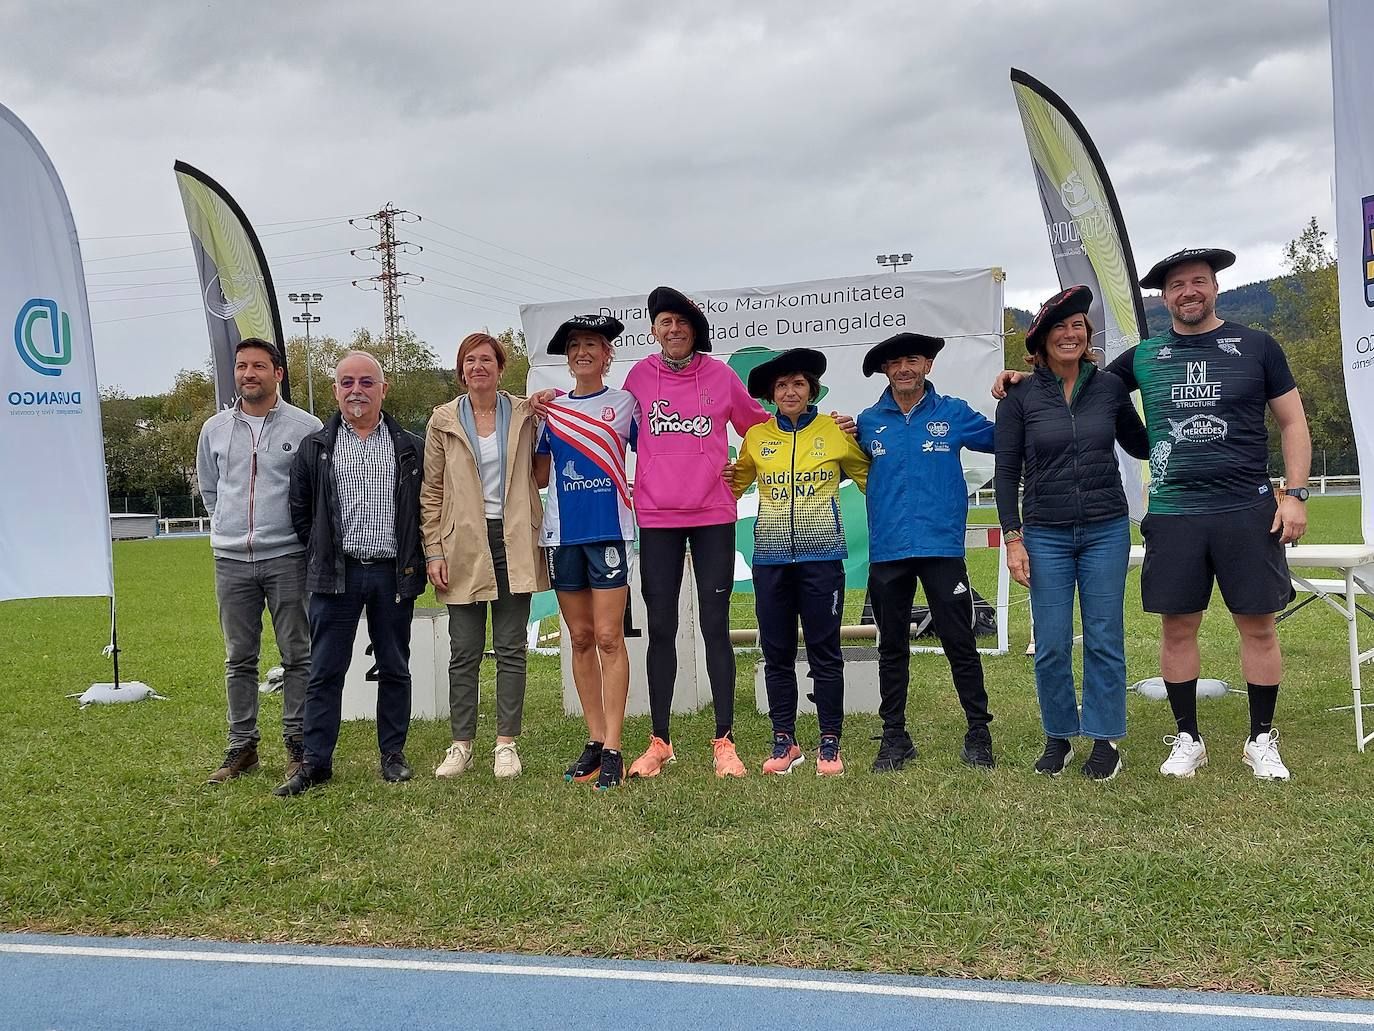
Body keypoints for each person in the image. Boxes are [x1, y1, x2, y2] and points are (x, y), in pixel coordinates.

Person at [992, 248, 1311, 780]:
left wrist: (1296, 494)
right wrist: (1021, 378)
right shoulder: (1143, 357)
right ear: (1164, 298)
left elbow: (1293, 424)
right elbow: (1080, 381)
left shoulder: (1258, 346)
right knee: (1177, 628)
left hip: (1245, 508)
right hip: (1172, 512)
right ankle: (1187, 737)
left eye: (1199, 282)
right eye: (1178, 285)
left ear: (1215, 287)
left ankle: (1260, 740)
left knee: (1257, 626)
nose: (1189, 291)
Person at [611, 286, 771, 779]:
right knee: (660, 629)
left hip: (713, 516)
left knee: (714, 627)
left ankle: (724, 741)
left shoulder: (720, 375)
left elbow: (759, 428)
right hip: (656, 516)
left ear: (695, 329)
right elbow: (603, 421)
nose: (673, 330)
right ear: (654, 330)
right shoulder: (639, 376)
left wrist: (811, 425)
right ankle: (660, 741)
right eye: (664, 322)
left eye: (681, 322)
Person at [993, 286, 1150, 781]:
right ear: (1039, 341)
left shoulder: (1107, 389)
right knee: (1053, 642)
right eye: (1059, 326)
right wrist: (1014, 538)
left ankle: (1104, 741)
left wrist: (1177, 412)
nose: (1071, 333)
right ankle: (1059, 736)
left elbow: (1143, 444)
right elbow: (1005, 471)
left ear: (1087, 336)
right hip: (1045, 533)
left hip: (1106, 527)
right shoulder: (1018, 396)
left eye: (1078, 325)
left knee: (1104, 637)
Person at [275, 351, 426, 796]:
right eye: (346, 383)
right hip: (335, 576)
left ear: (383, 389)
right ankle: (316, 762)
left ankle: (393, 754)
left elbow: (422, 511)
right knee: (324, 671)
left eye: (365, 382)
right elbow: (301, 514)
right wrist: (324, 552)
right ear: (335, 390)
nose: (355, 390)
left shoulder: (409, 446)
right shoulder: (315, 448)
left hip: (391, 574)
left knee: (395, 667)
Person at [858, 332, 997, 772]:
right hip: (888, 552)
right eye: (895, 362)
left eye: (913, 360)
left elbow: (1004, 437)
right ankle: (895, 737)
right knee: (892, 646)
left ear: (928, 366)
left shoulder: (952, 412)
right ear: (885, 369)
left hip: (942, 550)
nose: (904, 368)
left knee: (960, 642)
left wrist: (1021, 389)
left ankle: (979, 732)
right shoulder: (865, 421)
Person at [729, 347, 870, 776]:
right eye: (782, 386)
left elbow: (873, 480)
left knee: (825, 650)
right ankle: (784, 740)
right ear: (772, 395)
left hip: (821, 557)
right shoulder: (756, 437)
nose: (790, 392)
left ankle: (830, 742)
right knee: (777, 652)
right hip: (771, 559)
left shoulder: (835, 432)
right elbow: (731, 486)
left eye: (798, 384)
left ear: (812, 390)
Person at [421, 332, 548, 781]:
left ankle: (506, 745)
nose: (478, 367)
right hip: (462, 544)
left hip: (515, 540)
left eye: (486, 360)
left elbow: (543, 467)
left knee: (512, 647)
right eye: (470, 361)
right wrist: (433, 549)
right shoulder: (442, 420)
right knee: (465, 649)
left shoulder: (526, 413)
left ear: (500, 368)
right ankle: (462, 745)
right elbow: (432, 490)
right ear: (461, 370)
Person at [196, 338, 322, 786]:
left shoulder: (306, 427)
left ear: (278, 374)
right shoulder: (213, 428)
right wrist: (229, 529)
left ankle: (297, 744)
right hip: (231, 560)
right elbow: (212, 491)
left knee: (297, 656)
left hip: (287, 556)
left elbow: (313, 494)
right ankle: (242, 746)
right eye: (242, 366)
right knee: (239, 658)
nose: (249, 374)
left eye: (259, 367)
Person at [532, 315, 637, 790]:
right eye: (575, 346)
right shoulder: (550, 411)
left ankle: (614, 746)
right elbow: (536, 475)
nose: (583, 353)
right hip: (562, 536)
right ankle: (594, 740)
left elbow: (658, 452)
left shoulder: (625, 403)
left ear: (607, 353)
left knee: (610, 637)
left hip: (609, 532)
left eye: (592, 345)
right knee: (579, 639)